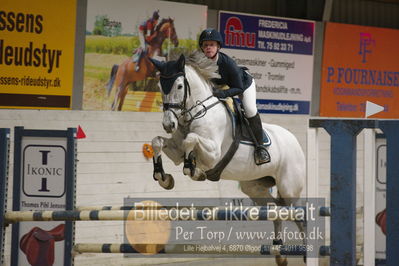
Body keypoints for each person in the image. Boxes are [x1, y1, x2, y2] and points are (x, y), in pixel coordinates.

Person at [198, 28, 270, 165]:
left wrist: (223, 94)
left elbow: (238, 88)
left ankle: (260, 148)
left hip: (243, 84)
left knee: (249, 109)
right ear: (202, 47)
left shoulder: (227, 63)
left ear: (218, 46)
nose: (208, 48)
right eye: (205, 45)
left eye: (212, 45)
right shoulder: (200, 62)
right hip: (222, 86)